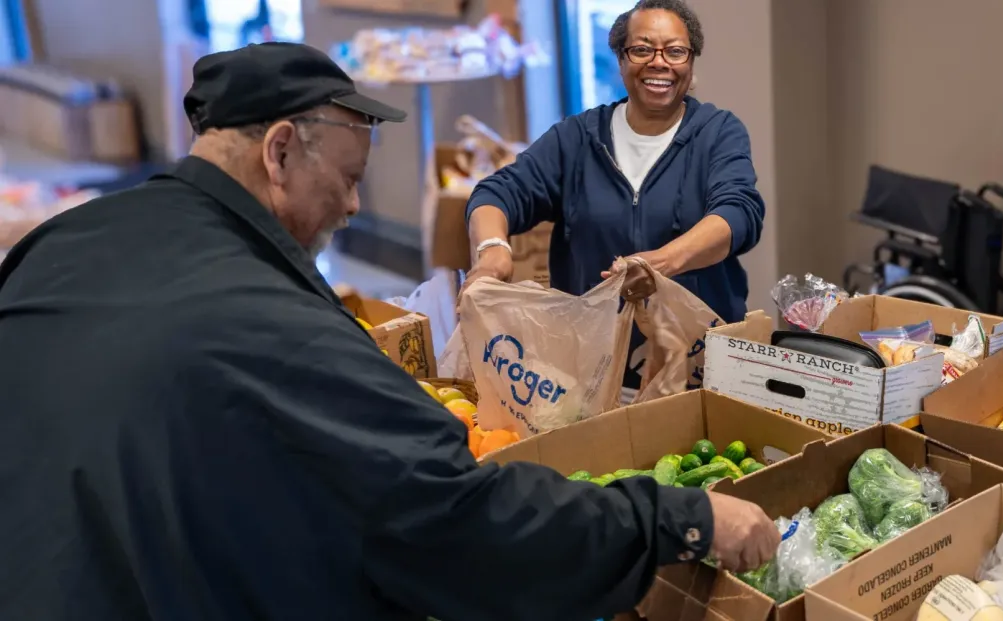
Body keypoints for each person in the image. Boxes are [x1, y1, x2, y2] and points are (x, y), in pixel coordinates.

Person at [0, 43, 779, 620]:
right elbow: (463, 525)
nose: (350, 207)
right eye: (346, 179)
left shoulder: (59, 244)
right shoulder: (279, 326)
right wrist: (677, 516)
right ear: (278, 152)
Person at [463, 0, 765, 390]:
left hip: (699, 367)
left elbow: (739, 213)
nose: (659, 63)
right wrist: (492, 250)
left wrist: (660, 265)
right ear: (621, 60)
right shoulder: (577, 139)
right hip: (594, 370)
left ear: (690, 64)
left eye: (675, 51)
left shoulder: (717, 132)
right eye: (642, 49)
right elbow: (498, 192)